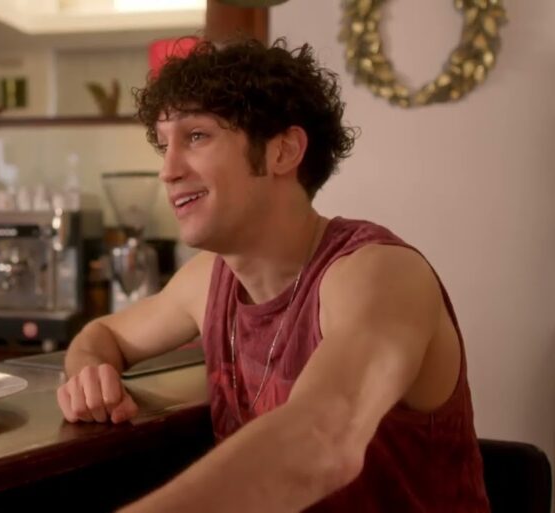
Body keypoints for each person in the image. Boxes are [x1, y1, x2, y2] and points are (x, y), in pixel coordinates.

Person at [56, 37, 490, 512]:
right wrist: (89, 374)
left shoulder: (381, 273)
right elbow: (100, 335)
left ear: (284, 151)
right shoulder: (207, 280)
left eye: (196, 136)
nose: (168, 170)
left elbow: (323, 439)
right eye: (164, 146)